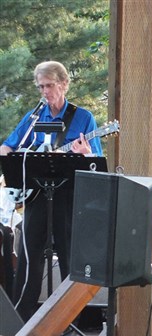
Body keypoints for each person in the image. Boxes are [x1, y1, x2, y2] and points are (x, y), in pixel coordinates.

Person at [0, 60, 103, 320]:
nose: (45, 92)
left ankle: (70, 318)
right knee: (28, 255)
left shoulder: (83, 118)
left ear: (64, 84)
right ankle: (21, 318)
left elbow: (97, 162)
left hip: (68, 198)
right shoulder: (34, 116)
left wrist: (86, 152)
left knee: (71, 257)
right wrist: (12, 161)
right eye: (40, 87)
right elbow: (7, 147)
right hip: (36, 195)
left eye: (49, 85)